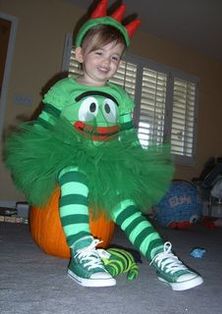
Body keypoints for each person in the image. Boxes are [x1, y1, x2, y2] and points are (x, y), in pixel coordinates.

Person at [4, 0, 203, 290]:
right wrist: (32, 151)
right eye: (99, 53)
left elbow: (127, 133)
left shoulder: (121, 96)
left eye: (115, 57)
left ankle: (161, 257)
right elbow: (45, 122)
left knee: (125, 205)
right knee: (73, 174)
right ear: (79, 53)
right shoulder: (64, 88)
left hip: (108, 160)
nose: (107, 62)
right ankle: (83, 253)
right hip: (68, 153)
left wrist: (136, 158)